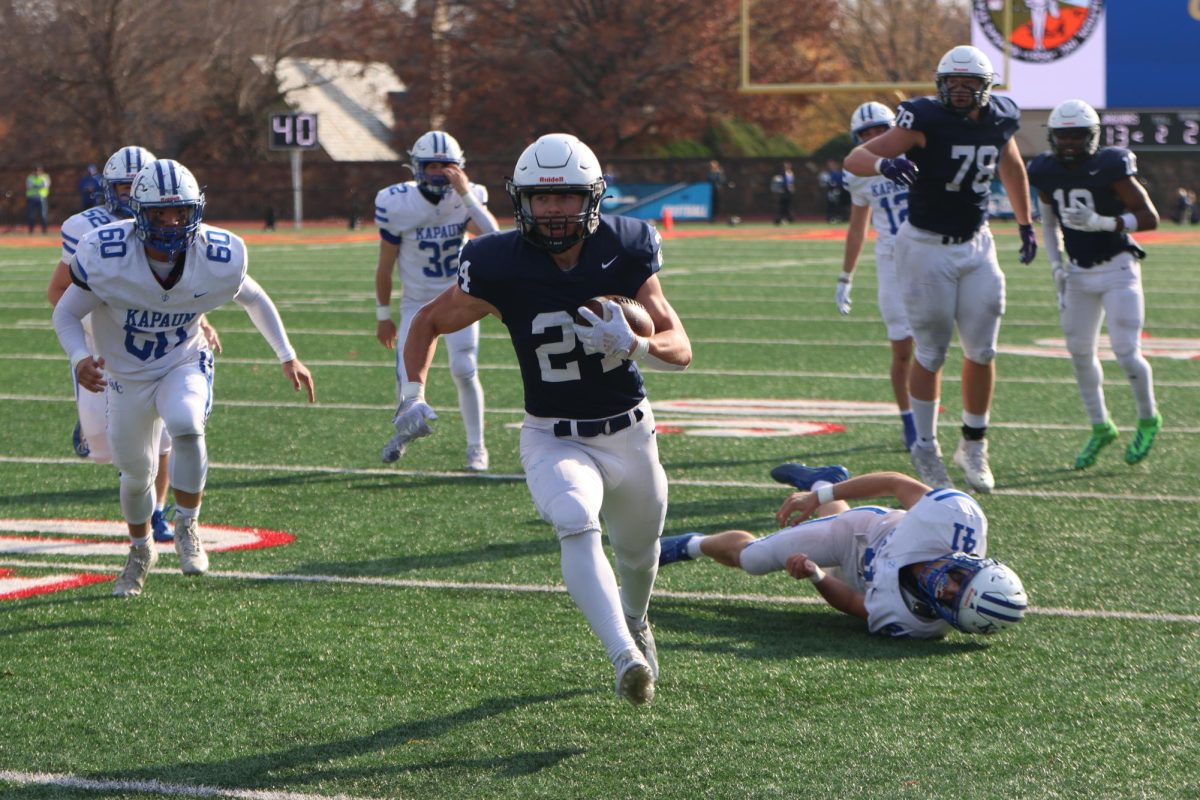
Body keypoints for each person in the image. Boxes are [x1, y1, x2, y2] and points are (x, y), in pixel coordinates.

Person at [384, 133, 692, 705]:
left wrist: (637, 345)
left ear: (592, 197)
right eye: (541, 198)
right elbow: (426, 320)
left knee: (639, 555)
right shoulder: (496, 261)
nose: (553, 210)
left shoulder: (626, 247)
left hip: (629, 429)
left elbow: (680, 344)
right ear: (520, 199)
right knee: (575, 519)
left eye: (567, 197)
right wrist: (412, 393)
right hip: (552, 436)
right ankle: (623, 654)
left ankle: (636, 617)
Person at [52, 159, 315, 597]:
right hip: (126, 375)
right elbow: (66, 311)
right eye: (160, 213)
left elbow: (253, 297)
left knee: (187, 424)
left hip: (182, 360)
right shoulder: (106, 253)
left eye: (180, 212)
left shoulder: (218, 253)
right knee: (135, 475)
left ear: (197, 210)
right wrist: (80, 356)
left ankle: (188, 525)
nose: (172, 222)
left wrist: (288, 355)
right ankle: (140, 551)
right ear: (139, 213)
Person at [844, 45, 1038, 494]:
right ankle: (926, 447)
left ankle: (973, 443)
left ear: (987, 88)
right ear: (940, 84)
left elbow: (1011, 166)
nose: (960, 91)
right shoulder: (922, 118)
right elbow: (855, 160)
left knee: (983, 350)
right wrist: (884, 163)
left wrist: (1026, 223)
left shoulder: (1001, 116)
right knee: (931, 353)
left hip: (977, 243)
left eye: (970, 83)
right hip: (926, 247)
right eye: (953, 82)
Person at [659, 464, 1027, 638]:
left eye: (949, 598)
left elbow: (856, 606)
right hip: (866, 530)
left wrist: (816, 576)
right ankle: (689, 545)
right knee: (753, 559)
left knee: (828, 559)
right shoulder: (954, 519)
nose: (943, 584)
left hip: (861, 576)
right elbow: (894, 482)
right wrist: (818, 499)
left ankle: (823, 476)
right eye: (958, 579)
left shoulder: (917, 623)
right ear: (973, 562)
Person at [47, 146, 208, 543]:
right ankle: (95, 427)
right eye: (123, 186)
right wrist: (91, 337)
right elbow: (59, 292)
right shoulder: (86, 229)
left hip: (160, 344)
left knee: (171, 431)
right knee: (105, 445)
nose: (129, 193)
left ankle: (155, 511)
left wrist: (200, 320)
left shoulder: (173, 221)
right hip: (105, 339)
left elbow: (184, 286)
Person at [1027, 99, 1163, 468]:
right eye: (1063, 136)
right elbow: (1049, 221)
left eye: (1076, 136)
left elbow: (1149, 218)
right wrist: (1056, 266)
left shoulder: (1111, 166)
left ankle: (1148, 417)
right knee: (1080, 352)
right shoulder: (1044, 170)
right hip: (1078, 273)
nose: (1069, 143)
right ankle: (1101, 426)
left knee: (1125, 350)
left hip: (1118, 267)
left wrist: (1103, 222)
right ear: (1053, 138)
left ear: (1092, 137)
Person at [375, 130, 500, 471]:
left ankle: (477, 447)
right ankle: (403, 433)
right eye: (431, 165)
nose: (438, 173)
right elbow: (385, 265)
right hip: (416, 300)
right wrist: (383, 314)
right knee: (407, 380)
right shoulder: (396, 202)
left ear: (459, 168)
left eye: (445, 166)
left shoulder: (468, 196)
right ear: (416, 167)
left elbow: (497, 239)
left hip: (459, 295)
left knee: (464, 367)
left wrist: (465, 194)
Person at [836, 102, 916, 450]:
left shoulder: (918, 154)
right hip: (891, 260)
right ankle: (909, 420)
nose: (873, 138)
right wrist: (845, 277)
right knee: (901, 348)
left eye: (879, 131)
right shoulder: (859, 171)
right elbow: (857, 228)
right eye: (865, 135)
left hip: (930, 252)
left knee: (934, 347)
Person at [818, 158, 847, 222]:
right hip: (830, 191)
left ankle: (839, 217)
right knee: (831, 205)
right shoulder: (826, 173)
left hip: (839, 191)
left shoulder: (840, 173)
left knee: (840, 204)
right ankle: (831, 217)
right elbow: (823, 184)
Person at [26, 165, 51, 234]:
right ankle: (31, 230)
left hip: (42, 198)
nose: (37, 172)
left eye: (39, 170)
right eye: (36, 170)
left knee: (43, 215)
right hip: (32, 198)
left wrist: (36, 186)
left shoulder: (45, 177)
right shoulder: (30, 177)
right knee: (31, 215)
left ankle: (44, 230)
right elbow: (29, 186)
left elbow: (46, 185)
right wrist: (39, 186)